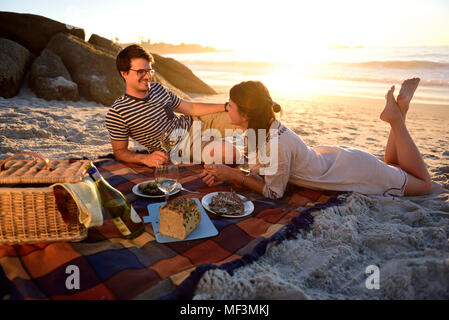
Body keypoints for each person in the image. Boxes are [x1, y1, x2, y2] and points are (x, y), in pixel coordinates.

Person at [200, 78, 432, 198]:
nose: (226, 107)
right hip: (342, 162)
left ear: (246, 114)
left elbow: (273, 193)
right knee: (393, 166)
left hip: (355, 171)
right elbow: (259, 171)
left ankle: (397, 118)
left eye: (231, 104)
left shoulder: (275, 143)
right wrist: (225, 173)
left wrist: (233, 174)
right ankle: (399, 111)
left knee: (423, 184)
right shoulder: (260, 131)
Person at [105, 44, 237, 167]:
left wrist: (226, 106)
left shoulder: (158, 88)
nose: (147, 77)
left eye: (149, 71)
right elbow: (120, 151)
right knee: (231, 153)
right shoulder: (118, 112)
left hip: (197, 122)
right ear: (124, 73)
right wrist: (145, 158)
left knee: (247, 119)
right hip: (184, 146)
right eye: (140, 72)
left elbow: (191, 108)